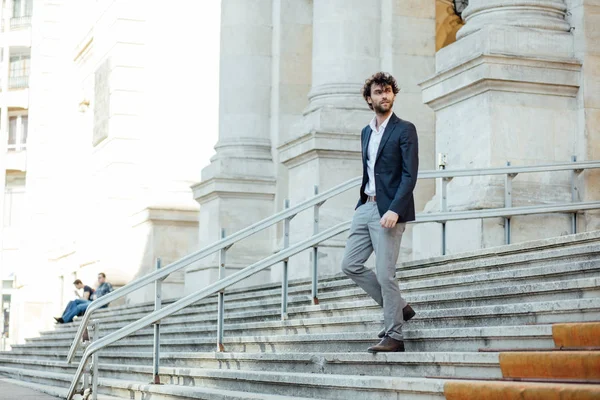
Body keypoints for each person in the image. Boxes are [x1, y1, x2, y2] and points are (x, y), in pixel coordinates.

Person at [341, 72, 419, 353]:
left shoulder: (405, 129)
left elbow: (409, 176)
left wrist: (395, 210)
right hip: (366, 206)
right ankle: (400, 308)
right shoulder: (366, 132)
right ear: (369, 98)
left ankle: (395, 336)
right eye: (378, 92)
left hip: (389, 211)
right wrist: (364, 204)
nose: (384, 95)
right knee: (349, 264)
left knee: (385, 274)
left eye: (388, 91)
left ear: (393, 95)